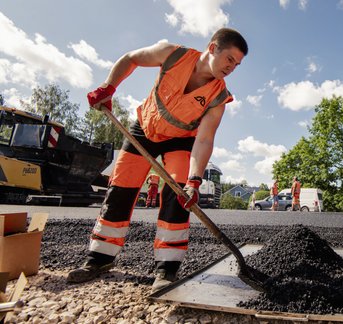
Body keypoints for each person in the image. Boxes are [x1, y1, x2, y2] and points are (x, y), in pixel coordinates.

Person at [67, 28, 248, 292]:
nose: (232, 67)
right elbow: (131, 58)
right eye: (230, 59)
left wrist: (194, 180)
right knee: (120, 189)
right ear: (212, 48)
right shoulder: (172, 54)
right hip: (145, 129)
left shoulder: (218, 97)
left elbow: (205, 139)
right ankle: (99, 259)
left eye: (237, 64)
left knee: (178, 195)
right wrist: (108, 87)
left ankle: (166, 270)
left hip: (181, 139)